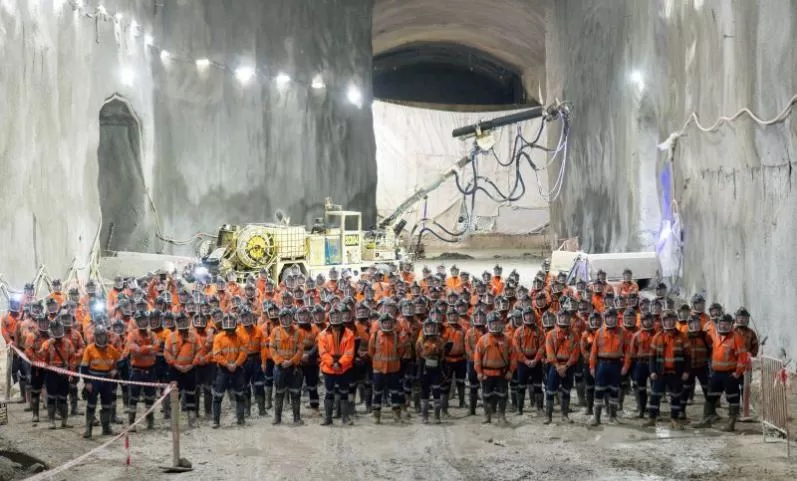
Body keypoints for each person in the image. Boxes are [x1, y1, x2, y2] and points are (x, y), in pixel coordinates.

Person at [694, 314, 748, 432]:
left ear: (731, 325)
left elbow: (743, 357)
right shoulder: (715, 335)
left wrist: (737, 373)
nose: (723, 326)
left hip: (730, 374)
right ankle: (706, 419)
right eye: (721, 324)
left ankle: (731, 423)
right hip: (716, 373)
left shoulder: (736, 337)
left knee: (732, 398)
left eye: (726, 324)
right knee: (710, 396)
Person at [645, 311, 689, 429]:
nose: (669, 322)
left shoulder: (682, 337)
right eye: (667, 320)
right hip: (660, 373)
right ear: (663, 322)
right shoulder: (657, 337)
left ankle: (674, 419)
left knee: (676, 396)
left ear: (675, 321)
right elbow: (652, 357)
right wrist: (652, 371)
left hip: (676, 373)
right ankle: (652, 418)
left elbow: (688, 357)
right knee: (655, 396)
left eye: (671, 320)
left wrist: (686, 371)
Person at [474, 312, 516, 425]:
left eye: (497, 323)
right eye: (493, 324)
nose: (495, 326)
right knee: (486, 395)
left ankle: (502, 416)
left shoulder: (507, 339)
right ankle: (487, 416)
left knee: (503, 395)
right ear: (488, 324)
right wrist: (478, 372)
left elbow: (513, 357)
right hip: (487, 374)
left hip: (502, 373)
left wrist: (511, 371)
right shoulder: (482, 340)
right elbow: (477, 358)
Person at [81, 326, 121, 438]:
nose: (101, 339)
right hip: (94, 379)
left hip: (107, 379)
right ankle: (88, 429)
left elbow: (120, 361)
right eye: (98, 336)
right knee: (91, 404)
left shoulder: (111, 349)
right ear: (95, 337)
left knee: (107, 404)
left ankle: (106, 428)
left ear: (106, 337)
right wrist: (87, 382)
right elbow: (84, 368)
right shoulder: (89, 349)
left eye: (103, 336)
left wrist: (115, 370)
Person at [318, 306, 356, 426]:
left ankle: (345, 417)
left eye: (337, 316)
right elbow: (322, 352)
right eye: (332, 316)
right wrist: (332, 363)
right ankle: (328, 418)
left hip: (344, 368)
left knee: (344, 392)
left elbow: (349, 353)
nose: (335, 318)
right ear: (329, 318)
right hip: (328, 368)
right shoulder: (322, 334)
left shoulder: (349, 334)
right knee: (329, 392)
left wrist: (339, 363)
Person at [163, 313, 202, 427]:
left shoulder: (194, 336)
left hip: (190, 370)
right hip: (175, 370)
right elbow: (167, 353)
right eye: (180, 321)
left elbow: (199, 351)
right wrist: (175, 365)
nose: (182, 323)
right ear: (176, 322)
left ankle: (192, 420)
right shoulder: (171, 337)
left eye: (184, 321)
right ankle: (174, 421)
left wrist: (192, 364)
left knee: (191, 394)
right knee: (175, 396)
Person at [589, 308, 625, 426]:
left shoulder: (622, 332)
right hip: (602, 365)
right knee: (598, 390)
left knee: (614, 391)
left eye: (613, 317)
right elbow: (594, 351)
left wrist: (626, 366)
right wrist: (592, 367)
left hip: (616, 364)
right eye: (608, 317)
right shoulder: (599, 332)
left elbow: (628, 351)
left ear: (616, 318)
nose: (611, 319)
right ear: (605, 318)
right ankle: (596, 417)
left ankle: (613, 416)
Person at [269, 308, 305, 425]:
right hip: (280, 368)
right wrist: (280, 361)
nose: (286, 320)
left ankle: (297, 418)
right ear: (280, 319)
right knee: (279, 393)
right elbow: (272, 348)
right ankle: (277, 418)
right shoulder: (275, 331)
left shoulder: (298, 332)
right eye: (283, 318)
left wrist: (292, 361)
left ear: (292, 317)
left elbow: (300, 350)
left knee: (295, 393)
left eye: (288, 317)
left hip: (294, 368)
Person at [369, 313, 407, 424]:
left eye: (389, 322)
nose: (387, 325)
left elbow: (400, 351)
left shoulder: (396, 336)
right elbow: (371, 352)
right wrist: (378, 362)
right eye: (385, 323)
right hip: (378, 370)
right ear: (381, 323)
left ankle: (396, 415)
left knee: (395, 393)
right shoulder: (375, 336)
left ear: (392, 324)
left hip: (393, 370)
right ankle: (377, 416)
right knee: (377, 393)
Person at [40, 317, 76, 429]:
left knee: (63, 399)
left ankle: (64, 421)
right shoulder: (47, 344)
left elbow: (72, 360)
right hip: (51, 373)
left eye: (58, 328)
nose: (57, 331)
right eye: (54, 329)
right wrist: (47, 344)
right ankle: (52, 421)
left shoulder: (68, 343)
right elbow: (41, 356)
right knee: (51, 398)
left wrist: (71, 374)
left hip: (64, 373)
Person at [211, 313, 247, 428]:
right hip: (223, 370)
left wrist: (236, 364)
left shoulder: (240, 337)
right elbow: (216, 354)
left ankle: (240, 419)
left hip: (237, 369)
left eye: (231, 323)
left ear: (235, 324)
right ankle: (216, 421)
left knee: (240, 394)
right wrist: (227, 364)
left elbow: (243, 353)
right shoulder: (218, 337)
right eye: (226, 323)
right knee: (218, 396)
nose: (229, 325)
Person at [126, 310, 160, 431]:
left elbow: (156, 347)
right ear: (136, 321)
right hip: (136, 370)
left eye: (144, 319)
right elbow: (134, 350)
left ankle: (150, 421)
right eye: (140, 320)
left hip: (151, 370)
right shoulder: (132, 334)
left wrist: (143, 348)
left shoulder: (153, 334)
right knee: (133, 398)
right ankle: (131, 423)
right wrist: (147, 348)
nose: (143, 322)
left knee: (150, 397)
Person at [544, 310, 579, 424]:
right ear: (558, 318)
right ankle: (548, 416)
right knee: (550, 390)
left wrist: (567, 366)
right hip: (555, 365)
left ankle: (565, 415)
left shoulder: (574, 335)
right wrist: (558, 366)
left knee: (566, 390)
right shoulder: (551, 334)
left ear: (569, 319)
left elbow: (575, 353)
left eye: (566, 317)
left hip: (569, 366)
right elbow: (549, 352)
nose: (564, 319)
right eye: (562, 317)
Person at [513, 306, 545, 416]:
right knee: (521, 386)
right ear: (523, 317)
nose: (530, 317)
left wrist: (536, 360)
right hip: (522, 362)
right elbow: (516, 348)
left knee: (538, 386)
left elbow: (542, 347)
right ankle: (519, 409)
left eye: (531, 315)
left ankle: (539, 408)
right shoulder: (518, 332)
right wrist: (526, 361)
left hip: (536, 361)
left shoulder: (539, 331)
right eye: (527, 315)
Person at [416, 318, 448, 424]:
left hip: (436, 369)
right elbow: (418, 354)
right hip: (425, 369)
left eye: (433, 326)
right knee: (424, 392)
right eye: (428, 326)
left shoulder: (440, 341)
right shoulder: (420, 341)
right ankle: (425, 416)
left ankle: (437, 416)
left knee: (436, 392)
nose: (430, 329)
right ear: (424, 328)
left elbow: (443, 356)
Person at [236, 307, 267, 417]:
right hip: (243, 361)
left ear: (252, 317)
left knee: (259, 385)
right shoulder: (238, 332)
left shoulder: (258, 331)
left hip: (256, 361)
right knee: (244, 386)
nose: (246, 319)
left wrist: (263, 363)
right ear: (240, 318)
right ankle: (246, 411)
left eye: (248, 317)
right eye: (244, 317)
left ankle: (262, 410)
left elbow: (263, 348)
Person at [681, 314, 711, 420]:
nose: (696, 325)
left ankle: (710, 412)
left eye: (698, 323)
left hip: (702, 367)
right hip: (688, 368)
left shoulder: (705, 336)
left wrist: (710, 365)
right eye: (693, 323)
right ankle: (681, 411)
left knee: (707, 389)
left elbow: (711, 350)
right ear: (689, 324)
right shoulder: (683, 336)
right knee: (684, 390)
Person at [625, 313, 655, 418]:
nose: (647, 322)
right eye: (645, 320)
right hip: (640, 364)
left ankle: (655, 411)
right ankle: (641, 411)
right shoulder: (636, 335)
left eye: (649, 320)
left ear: (653, 321)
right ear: (642, 322)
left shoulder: (658, 334)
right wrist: (631, 367)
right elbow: (631, 353)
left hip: (654, 364)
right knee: (640, 388)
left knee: (655, 388)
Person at [24, 315, 51, 423]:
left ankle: (51, 413)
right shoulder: (32, 336)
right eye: (42, 322)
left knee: (51, 391)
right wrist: (35, 360)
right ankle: (35, 415)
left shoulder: (51, 335)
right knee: (35, 391)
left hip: (49, 367)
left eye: (46, 322)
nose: (44, 324)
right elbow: (28, 351)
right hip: (37, 368)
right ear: (38, 323)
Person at [442, 307, 467, 415]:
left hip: (461, 359)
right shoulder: (443, 328)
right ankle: (444, 407)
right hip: (447, 359)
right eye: (451, 315)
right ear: (447, 316)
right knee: (446, 383)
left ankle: (462, 401)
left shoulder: (462, 329)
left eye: (455, 315)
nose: (453, 317)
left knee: (461, 382)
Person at [464, 309, 487, 416]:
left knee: (487, 386)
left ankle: (489, 410)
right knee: (473, 385)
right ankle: (472, 409)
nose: (479, 319)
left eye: (481, 317)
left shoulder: (488, 331)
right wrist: (476, 359)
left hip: (486, 363)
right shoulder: (469, 332)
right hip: (472, 362)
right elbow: (467, 348)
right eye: (477, 317)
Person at [581, 312, 602, 415]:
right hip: (588, 363)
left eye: (598, 320)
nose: (596, 322)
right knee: (589, 386)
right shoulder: (585, 334)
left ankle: (601, 408)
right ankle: (589, 407)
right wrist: (590, 359)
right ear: (590, 321)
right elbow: (583, 350)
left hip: (601, 363)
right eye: (593, 320)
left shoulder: (603, 332)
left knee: (600, 385)